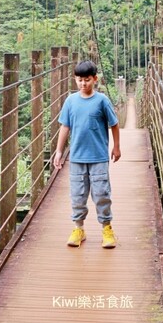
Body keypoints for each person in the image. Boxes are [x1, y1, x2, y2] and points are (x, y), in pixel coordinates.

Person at [53, 59, 121, 248]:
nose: (83, 83)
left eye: (87, 80)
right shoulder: (70, 101)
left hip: (98, 156)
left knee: (101, 194)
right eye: (80, 80)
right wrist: (59, 151)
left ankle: (107, 229)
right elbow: (65, 127)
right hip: (76, 157)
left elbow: (114, 124)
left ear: (95, 79)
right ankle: (79, 229)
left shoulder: (102, 100)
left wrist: (116, 147)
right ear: (75, 79)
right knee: (78, 195)